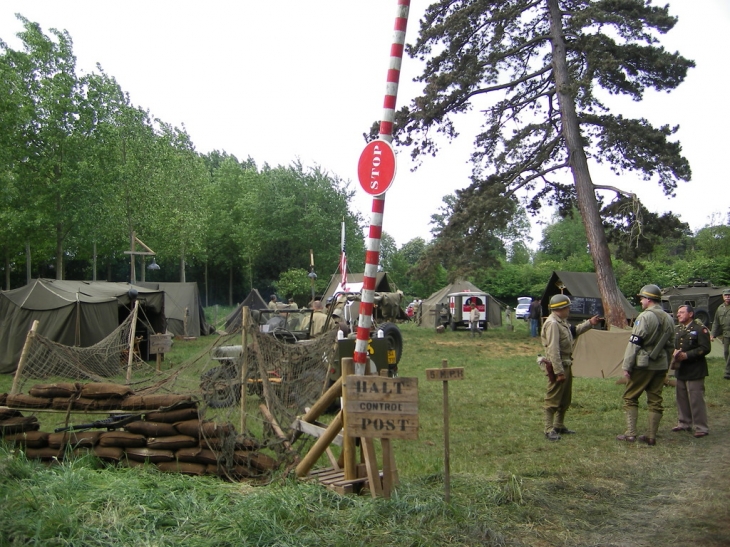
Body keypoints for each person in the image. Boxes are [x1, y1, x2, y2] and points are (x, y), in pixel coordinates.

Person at [617, 284, 675, 446]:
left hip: (642, 364)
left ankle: (630, 433)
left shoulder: (644, 317)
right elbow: (671, 345)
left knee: (630, 397)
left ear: (649, 299)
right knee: (655, 399)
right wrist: (667, 366)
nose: (641, 301)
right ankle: (651, 436)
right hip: (661, 364)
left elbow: (634, 343)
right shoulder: (669, 318)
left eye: (642, 298)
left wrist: (627, 365)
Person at [540, 294, 600, 441]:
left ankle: (559, 425)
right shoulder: (553, 323)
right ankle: (548, 429)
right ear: (561, 308)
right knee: (553, 398)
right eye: (567, 307)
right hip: (558, 364)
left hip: (566, 362)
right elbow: (553, 349)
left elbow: (573, 332)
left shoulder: (562, 322)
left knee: (565, 398)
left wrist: (589, 323)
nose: (569, 309)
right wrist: (558, 371)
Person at [671, 304, 711, 438]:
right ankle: (684, 423)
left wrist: (687, 355)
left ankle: (701, 427)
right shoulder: (677, 330)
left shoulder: (700, 329)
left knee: (696, 398)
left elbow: (705, 348)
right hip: (681, 369)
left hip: (695, 368)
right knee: (681, 397)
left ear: (690, 314)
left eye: (681, 312)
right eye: (678, 312)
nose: (678, 314)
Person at [710, 288, 730, 380]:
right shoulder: (720, 308)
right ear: (723, 297)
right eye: (726, 295)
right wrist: (713, 334)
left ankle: (727, 372)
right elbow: (716, 322)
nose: (728, 297)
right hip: (726, 334)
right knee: (726, 352)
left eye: (729, 295)